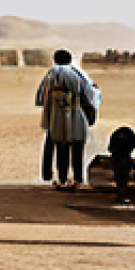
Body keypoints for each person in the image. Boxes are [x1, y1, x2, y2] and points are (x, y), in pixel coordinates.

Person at [35, 48, 97, 189]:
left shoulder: (51, 75)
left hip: (55, 118)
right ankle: (78, 179)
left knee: (60, 148)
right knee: (77, 148)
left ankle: (62, 179)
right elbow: (89, 96)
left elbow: (39, 98)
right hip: (76, 116)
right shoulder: (79, 74)